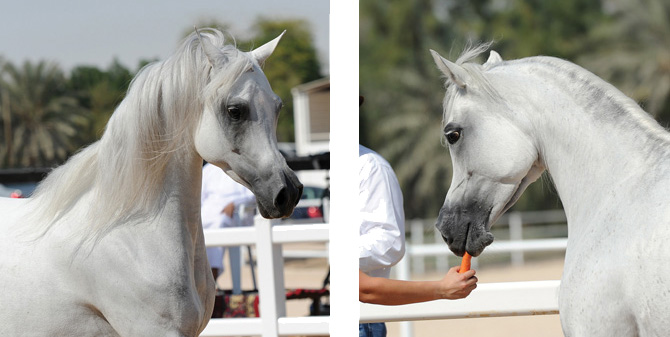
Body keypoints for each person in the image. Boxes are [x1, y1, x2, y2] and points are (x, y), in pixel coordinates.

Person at [201, 163, 256, 281]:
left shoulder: (244, 166)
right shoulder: (209, 169)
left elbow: (254, 195)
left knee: (220, 223)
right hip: (207, 212)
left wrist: (235, 204)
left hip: (235, 214)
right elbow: (200, 197)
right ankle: (197, 279)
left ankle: (212, 276)